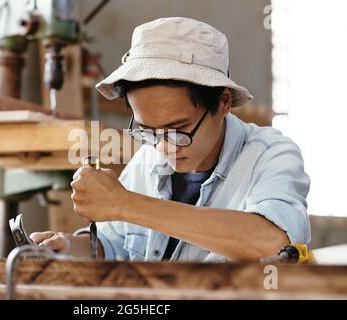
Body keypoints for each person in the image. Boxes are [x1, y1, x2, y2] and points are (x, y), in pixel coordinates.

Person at [30, 17, 310, 262]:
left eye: (178, 129)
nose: (164, 146)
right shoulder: (149, 157)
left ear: (223, 103)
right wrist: (69, 247)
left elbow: (272, 243)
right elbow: (114, 244)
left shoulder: (270, 154)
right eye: (148, 130)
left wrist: (125, 204)